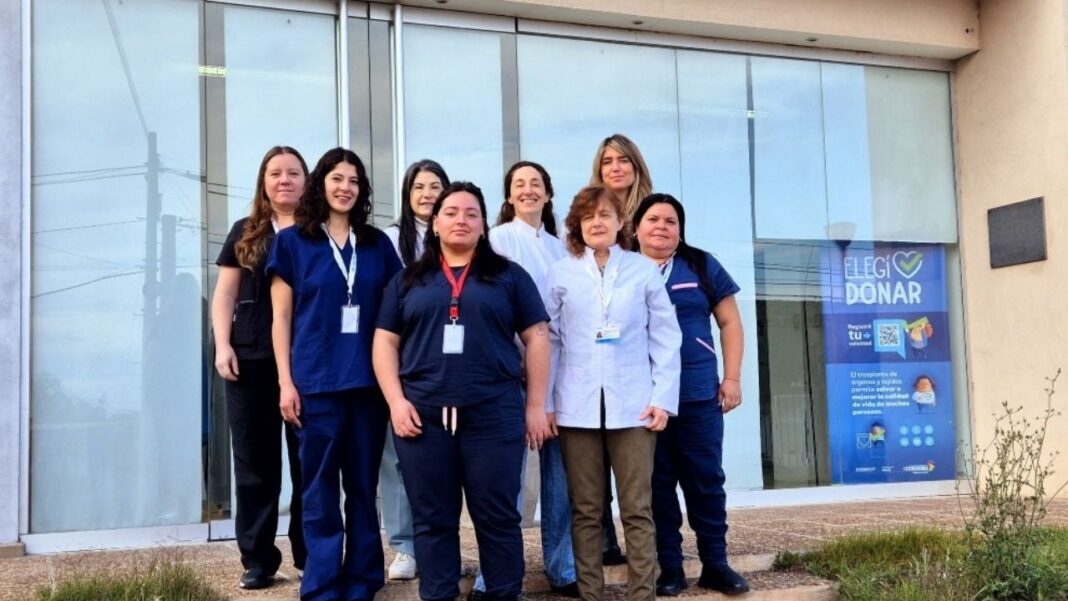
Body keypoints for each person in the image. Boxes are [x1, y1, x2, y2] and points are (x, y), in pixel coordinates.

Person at [373, 182, 553, 601]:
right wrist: (396, 401)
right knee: (433, 519)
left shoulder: (509, 276)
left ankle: (503, 594)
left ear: (483, 225)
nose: (461, 220)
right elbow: (384, 342)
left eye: (472, 214)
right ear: (435, 224)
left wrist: (535, 405)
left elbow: (538, 336)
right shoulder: (408, 280)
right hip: (423, 418)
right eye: (451, 212)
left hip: (493, 415)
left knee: (498, 518)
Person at [267, 147, 402, 601]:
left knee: (362, 488)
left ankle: (363, 581)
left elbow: (397, 312)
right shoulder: (291, 243)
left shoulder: (377, 244)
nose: (346, 188)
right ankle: (322, 585)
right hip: (315, 385)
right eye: (337, 178)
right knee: (319, 490)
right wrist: (285, 382)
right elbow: (281, 319)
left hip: (367, 386)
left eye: (354, 180)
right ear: (320, 183)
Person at [545, 185, 681, 601]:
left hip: (634, 407)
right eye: (587, 217)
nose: (596, 223)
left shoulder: (641, 270)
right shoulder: (561, 271)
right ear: (577, 225)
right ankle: (591, 595)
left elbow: (665, 337)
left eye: (605, 214)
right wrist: (546, 402)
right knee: (586, 510)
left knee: (637, 508)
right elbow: (549, 341)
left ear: (622, 222)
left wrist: (662, 398)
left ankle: (642, 595)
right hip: (575, 407)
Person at [632, 193, 748, 596]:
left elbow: (730, 322)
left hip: (698, 395)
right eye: (653, 219)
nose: (661, 227)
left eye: (670, 221)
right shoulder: (622, 267)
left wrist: (732, 379)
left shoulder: (701, 264)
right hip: (644, 400)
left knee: (705, 481)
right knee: (656, 486)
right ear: (635, 228)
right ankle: (670, 568)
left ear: (680, 232)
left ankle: (715, 563)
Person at [211, 145, 309, 590]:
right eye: (275, 173)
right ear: (263, 182)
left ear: (306, 181)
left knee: (308, 462)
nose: (284, 180)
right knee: (255, 464)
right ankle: (258, 559)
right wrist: (222, 345)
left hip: (305, 362)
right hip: (249, 361)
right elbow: (225, 294)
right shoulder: (245, 231)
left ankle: (311, 553)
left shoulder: (316, 232)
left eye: (293, 173)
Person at [486, 161, 577, 598]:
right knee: (506, 480)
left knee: (561, 479)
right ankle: (494, 575)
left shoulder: (564, 249)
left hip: (561, 374)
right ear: (508, 196)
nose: (528, 190)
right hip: (511, 372)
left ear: (548, 194)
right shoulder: (497, 240)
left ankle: (563, 568)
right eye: (519, 184)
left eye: (536, 183)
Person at [585, 133, 655, 564]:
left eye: (623, 159)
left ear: (636, 165)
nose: (615, 167)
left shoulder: (652, 213)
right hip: (597, 360)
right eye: (607, 160)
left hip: (640, 350)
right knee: (594, 464)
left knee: (641, 470)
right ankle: (606, 540)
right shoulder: (590, 215)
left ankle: (655, 550)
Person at [380, 159, 451, 581]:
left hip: (449, 363)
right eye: (419, 187)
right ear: (407, 195)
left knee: (443, 461)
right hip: (406, 360)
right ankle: (404, 546)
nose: (427, 194)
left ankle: (439, 544)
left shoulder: (459, 232)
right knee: (397, 459)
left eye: (435, 186)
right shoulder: (391, 240)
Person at [588, 133, 654, 222]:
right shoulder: (584, 216)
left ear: (636, 167)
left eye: (623, 161)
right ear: (599, 171)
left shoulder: (654, 213)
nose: (615, 168)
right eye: (607, 162)